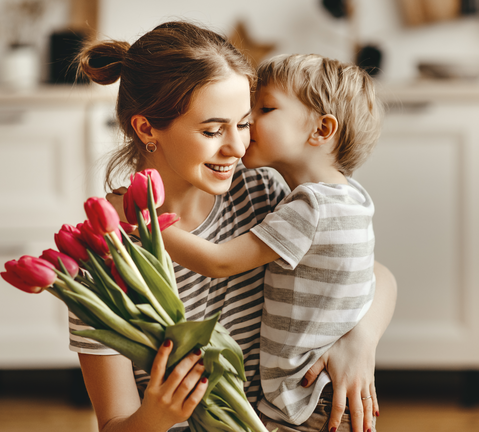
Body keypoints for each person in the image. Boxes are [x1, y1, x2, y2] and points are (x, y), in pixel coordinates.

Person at [71, 21, 397, 432]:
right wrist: (156, 415)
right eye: (212, 130)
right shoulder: (107, 261)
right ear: (146, 128)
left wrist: (360, 340)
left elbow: (369, 272)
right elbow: (115, 425)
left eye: (244, 123)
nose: (238, 147)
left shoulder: (259, 194)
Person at [160, 53, 383, 432]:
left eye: (262, 109)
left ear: (321, 129)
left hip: (304, 399)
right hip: (323, 394)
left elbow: (219, 262)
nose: (248, 126)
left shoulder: (310, 207)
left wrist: (143, 223)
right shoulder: (352, 196)